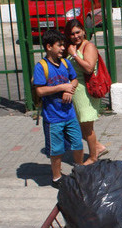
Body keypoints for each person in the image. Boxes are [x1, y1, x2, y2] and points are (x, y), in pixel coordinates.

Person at [33, 28, 84, 187]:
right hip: (53, 118)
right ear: (49, 47)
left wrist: (70, 89)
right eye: (59, 45)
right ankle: (56, 178)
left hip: (69, 115)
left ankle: (80, 171)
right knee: (56, 150)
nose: (63, 48)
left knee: (78, 144)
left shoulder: (65, 63)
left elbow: (74, 79)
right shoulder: (41, 67)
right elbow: (40, 90)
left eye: (63, 45)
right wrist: (62, 87)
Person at [64, 19, 109, 164]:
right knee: (77, 126)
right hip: (74, 91)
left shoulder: (88, 47)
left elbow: (89, 68)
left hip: (85, 91)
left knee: (87, 127)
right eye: (72, 34)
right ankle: (98, 147)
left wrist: (75, 55)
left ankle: (93, 157)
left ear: (84, 31)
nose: (76, 36)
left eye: (78, 32)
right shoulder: (71, 47)